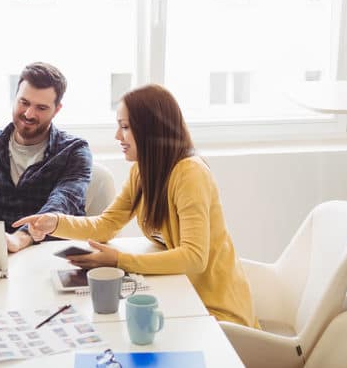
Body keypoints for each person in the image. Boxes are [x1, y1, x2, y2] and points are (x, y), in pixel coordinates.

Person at [14, 84, 257, 327]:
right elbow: (106, 225)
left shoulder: (190, 173)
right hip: (182, 296)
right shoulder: (142, 172)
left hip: (216, 312)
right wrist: (53, 222)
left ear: (151, 129)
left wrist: (120, 260)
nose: (117, 136)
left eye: (125, 127)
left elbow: (194, 258)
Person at [0, 62, 92, 253]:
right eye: (24, 102)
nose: (29, 114)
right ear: (15, 98)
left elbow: (61, 204)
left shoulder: (75, 150)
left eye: (41, 108)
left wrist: (20, 238)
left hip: (54, 256)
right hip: (1, 255)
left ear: (57, 109)